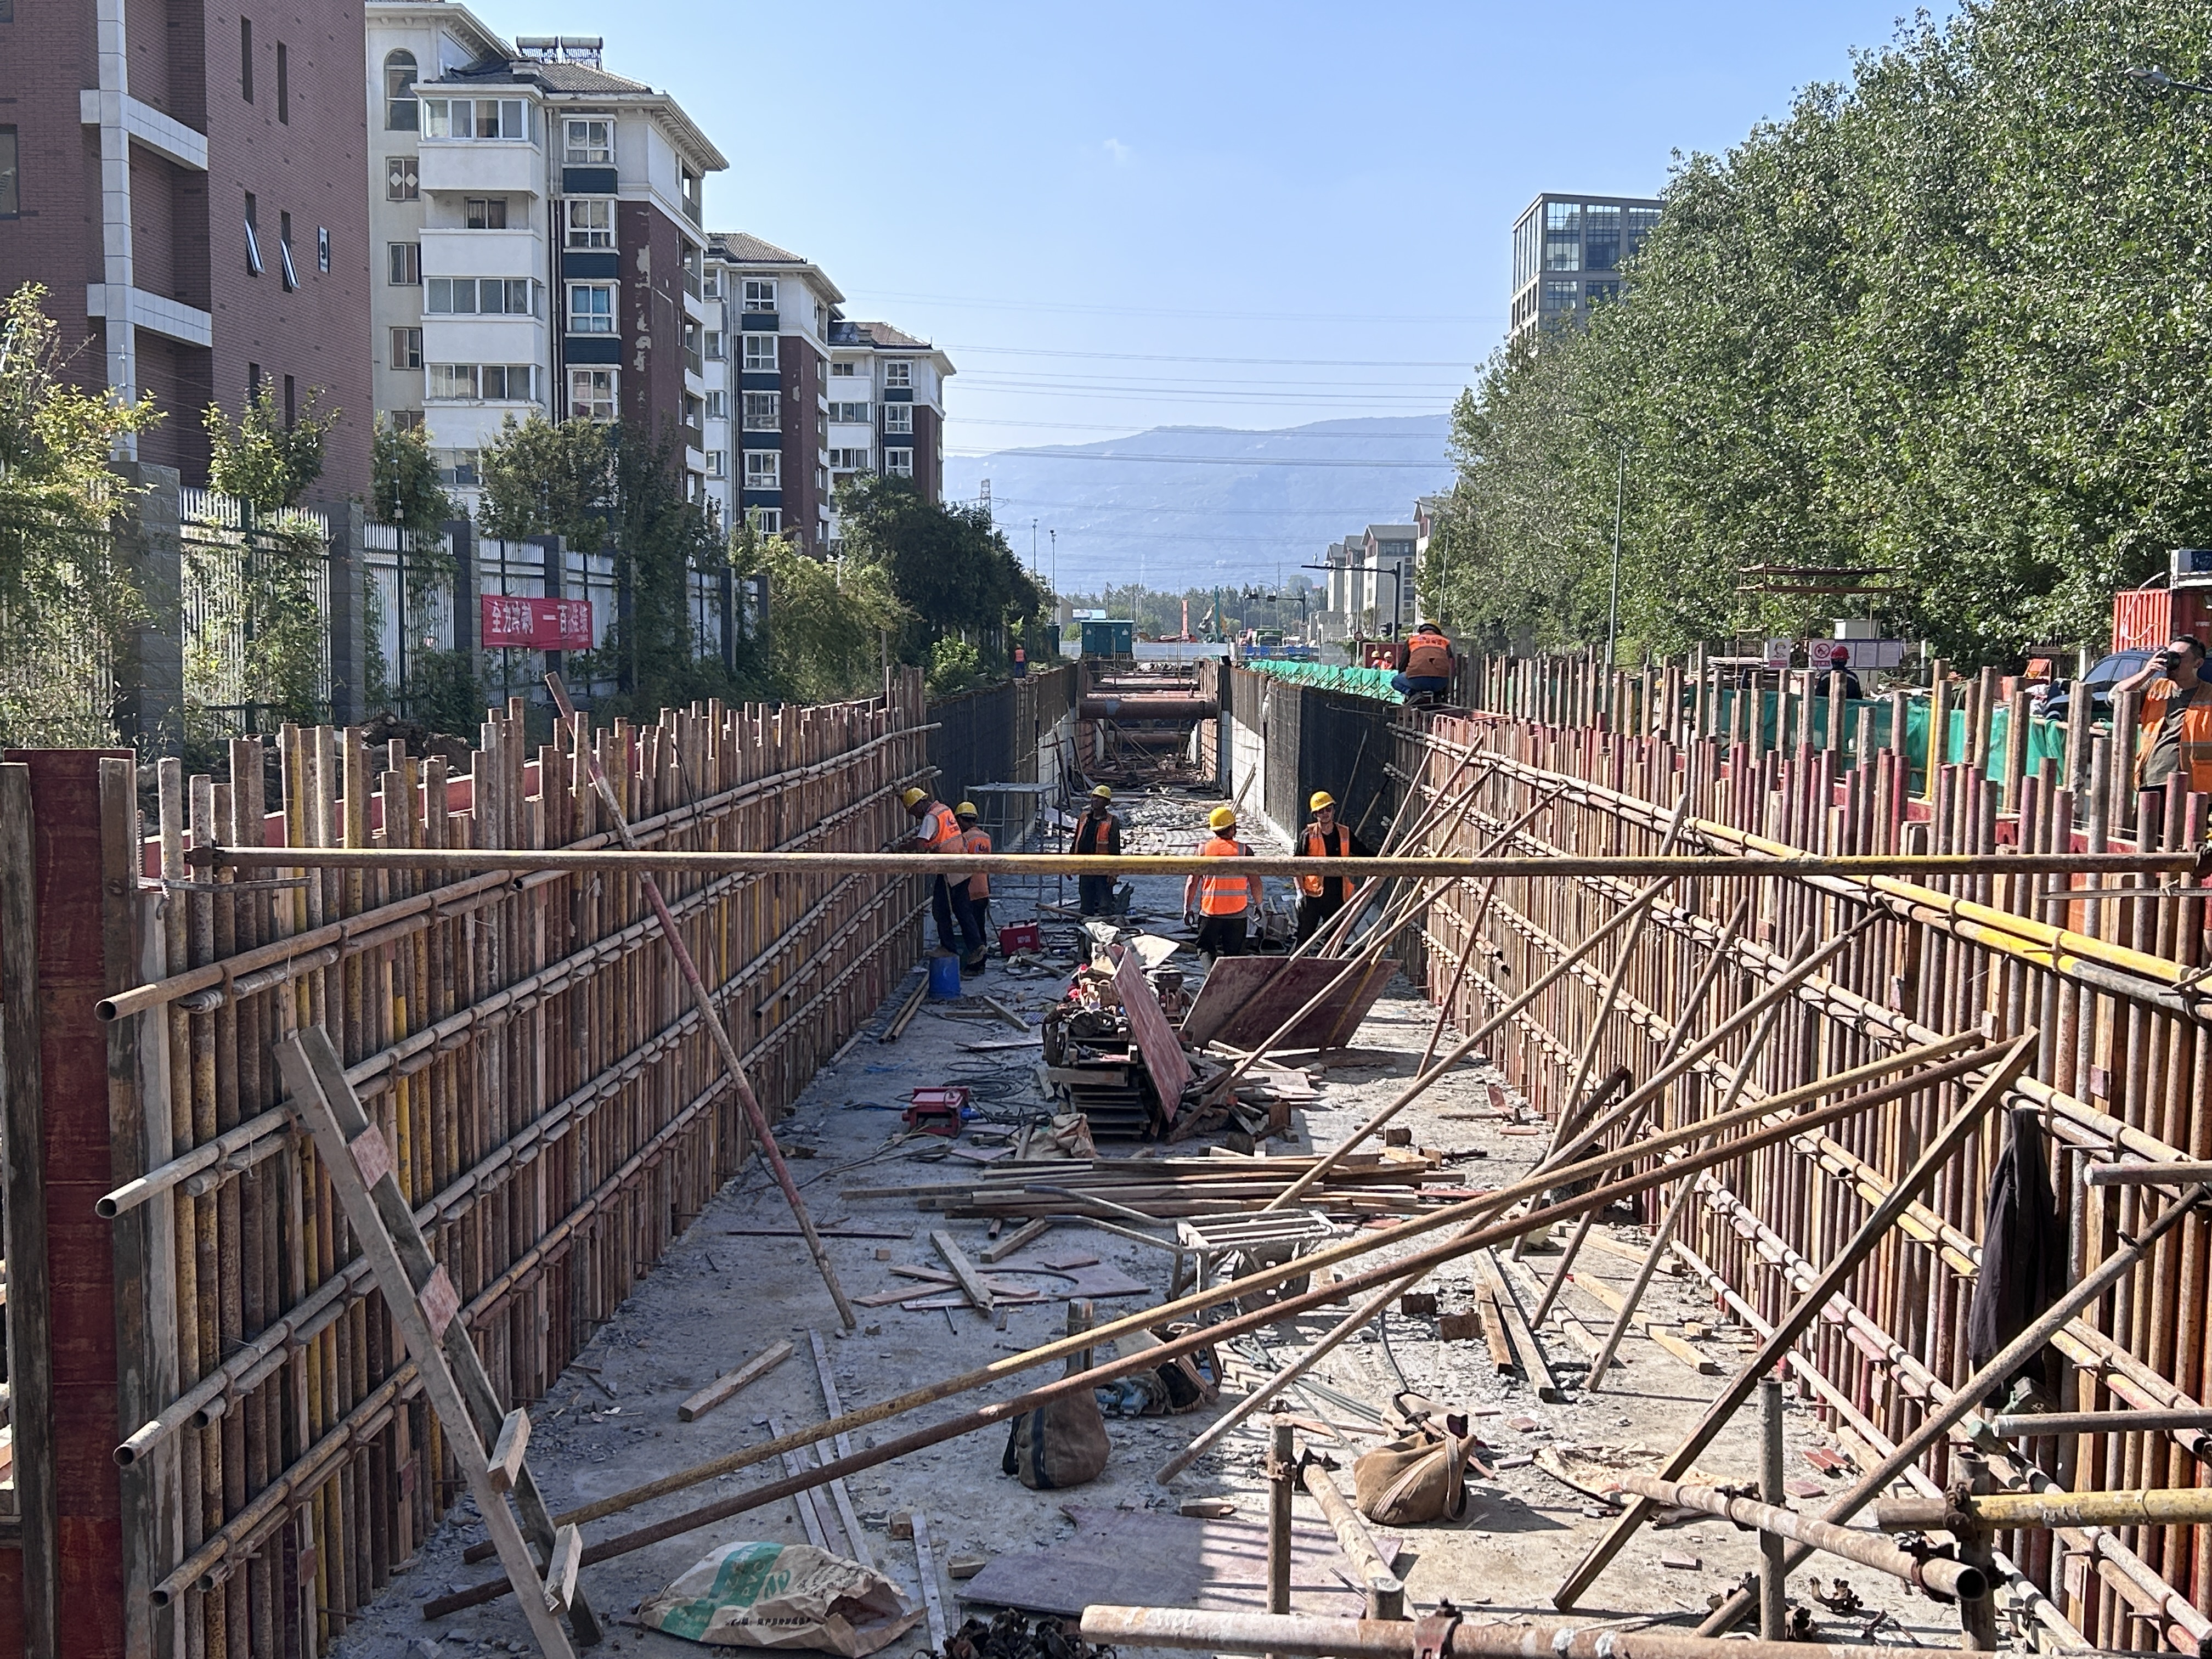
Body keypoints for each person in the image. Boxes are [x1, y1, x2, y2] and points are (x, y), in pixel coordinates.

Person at [901, 785, 984, 971]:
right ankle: (976, 946)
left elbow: (921, 845)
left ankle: (951, 947)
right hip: (960, 864)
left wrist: (902, 848)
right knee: (962, 910)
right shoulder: (944, 809)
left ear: (919, 804)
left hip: (950, 868)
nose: (915, 816)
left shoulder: (930, 818)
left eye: (913, 811)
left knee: (941, 910)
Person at [2117, 634, 2212, 795]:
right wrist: (2147, 672)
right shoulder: (2154, 687)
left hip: (2195, 785)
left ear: (2198, 663)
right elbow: (2116, 698)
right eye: (2169, 655)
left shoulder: (2209, 694)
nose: (2171, 662)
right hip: (2153, 778)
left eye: (2178, 657)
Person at [1183, 804, 1264, 963]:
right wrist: (1259, 905)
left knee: (1205, 949)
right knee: (1234, 956)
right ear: (1232, 828)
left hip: (1210, 913)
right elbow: (1256, 883)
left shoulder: (1203, 850)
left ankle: (1210, 976)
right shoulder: (1244, 851)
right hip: (1237, 914)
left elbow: (1192, 882)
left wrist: (1188, 908)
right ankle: (1228, 980)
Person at [1295, 790, 1373, 946]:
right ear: (1315, 814)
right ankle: (1300, 961)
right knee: (1304, 936)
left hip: (1337, 895)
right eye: (1321, 811)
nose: (1325, 814)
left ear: (1334, 811)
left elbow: (1363, 852)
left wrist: (1385, 858)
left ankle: (1330, 960)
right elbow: (1296, 866)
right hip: (1313, 895)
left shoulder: (1344, 833)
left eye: (1328, 809)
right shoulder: (1308, 835)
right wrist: (1299, 891)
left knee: (1334, 939)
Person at [1073, 785, 1122, 916]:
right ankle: (1086, 925)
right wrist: (1070, 864)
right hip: (1085, 866)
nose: (1095, 800)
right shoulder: (1084, 818)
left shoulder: (1112, 821)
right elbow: (1077, 840)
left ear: (1107, 803)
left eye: (1100, 798)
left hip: (1103, 868)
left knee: (1105, 904)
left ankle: (1106, 925)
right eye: (1094, 797)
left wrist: (1114, 873)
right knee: (1086, 903)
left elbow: (1115, 849)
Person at [956, 801, 992, 946]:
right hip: (983, 887)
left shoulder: (964, 839)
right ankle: (983, 954)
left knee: (970, 929)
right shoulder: (986, 837)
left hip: (968, 889)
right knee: (980, 925)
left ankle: (976, 955)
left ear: (960, 820)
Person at [1391, 622, 1454, 701]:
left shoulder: (1413, 640)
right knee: (1442, 674)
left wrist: (1405, 674)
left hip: (1417, 680)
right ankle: (1438, 696)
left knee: (1396, 681)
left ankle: (1414, 694)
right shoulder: (1444, 641)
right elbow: (1449, 661)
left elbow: (1403, 663)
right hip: (1440, 682)